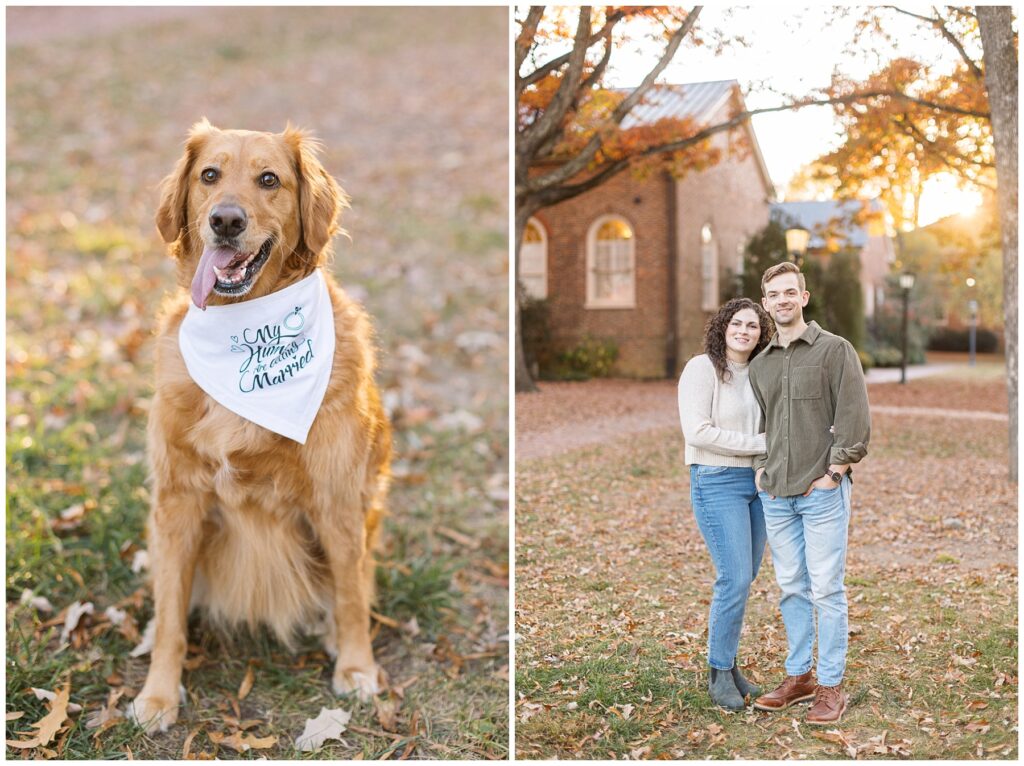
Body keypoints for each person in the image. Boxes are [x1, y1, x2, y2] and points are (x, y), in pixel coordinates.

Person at [748, 261, 870, 725]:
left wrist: (835, 472)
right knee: (791, 588)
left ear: (804, 297)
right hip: (776, 496)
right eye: (773, 294)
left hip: (821, 493)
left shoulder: (835, 351)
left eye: (789, 292)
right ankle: (799, 677)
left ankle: (831, 685)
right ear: (765, 304)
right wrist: (761, 470)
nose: (781, 300)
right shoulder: (760, 365)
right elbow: (762, 424)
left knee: (827, 590)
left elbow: (855, 417)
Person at [677, 297, 774, 711]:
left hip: (756, 484)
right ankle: (718, 671)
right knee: (733, 577)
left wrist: (763, 459)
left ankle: (731, 666)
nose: (744, 331)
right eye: (737, 323)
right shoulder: (702, 368)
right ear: (723, 326)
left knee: (746, 575)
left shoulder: (760, 372)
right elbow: (698, 431)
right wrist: (759, 445)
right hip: (715, 480)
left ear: (761, 333)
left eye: (753, 326)